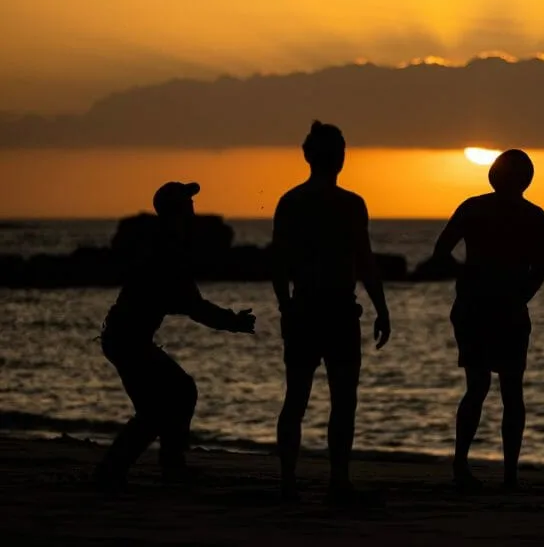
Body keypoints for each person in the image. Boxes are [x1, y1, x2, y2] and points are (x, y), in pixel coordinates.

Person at [93, 182, 256, 489]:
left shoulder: (165, 244)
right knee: (170, 399)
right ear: (178, 211)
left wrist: (228, 320)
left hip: (124, 338)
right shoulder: (167, 250)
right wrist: (233, 322)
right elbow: (194, 306)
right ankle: (142, 469)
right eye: (188, 202)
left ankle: (145, 468)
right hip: (127, 340)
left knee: (168, 399)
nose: (194, 207)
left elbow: (184, 302)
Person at [272, 121, 391, 503]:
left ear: (308, 157)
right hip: (336, 311)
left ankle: (289, 481)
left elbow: (279, 264)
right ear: (338, 158)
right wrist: (382, 308)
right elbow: (365, 262)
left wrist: (285, 307)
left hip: (308, 308)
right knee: (342, 400)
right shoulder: (349, 204)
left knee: (297, 398)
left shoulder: (291, 202)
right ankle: (337, 479)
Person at [430, 149, 544, 491]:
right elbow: (539, 271)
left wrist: (468, 279)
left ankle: (464, 466)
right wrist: (516, 297)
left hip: (478, 308)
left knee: (479, 387)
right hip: (498, 309)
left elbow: (440, 253)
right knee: (508, 390)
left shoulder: (475, 208)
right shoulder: (534, 217)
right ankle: (506, 474)